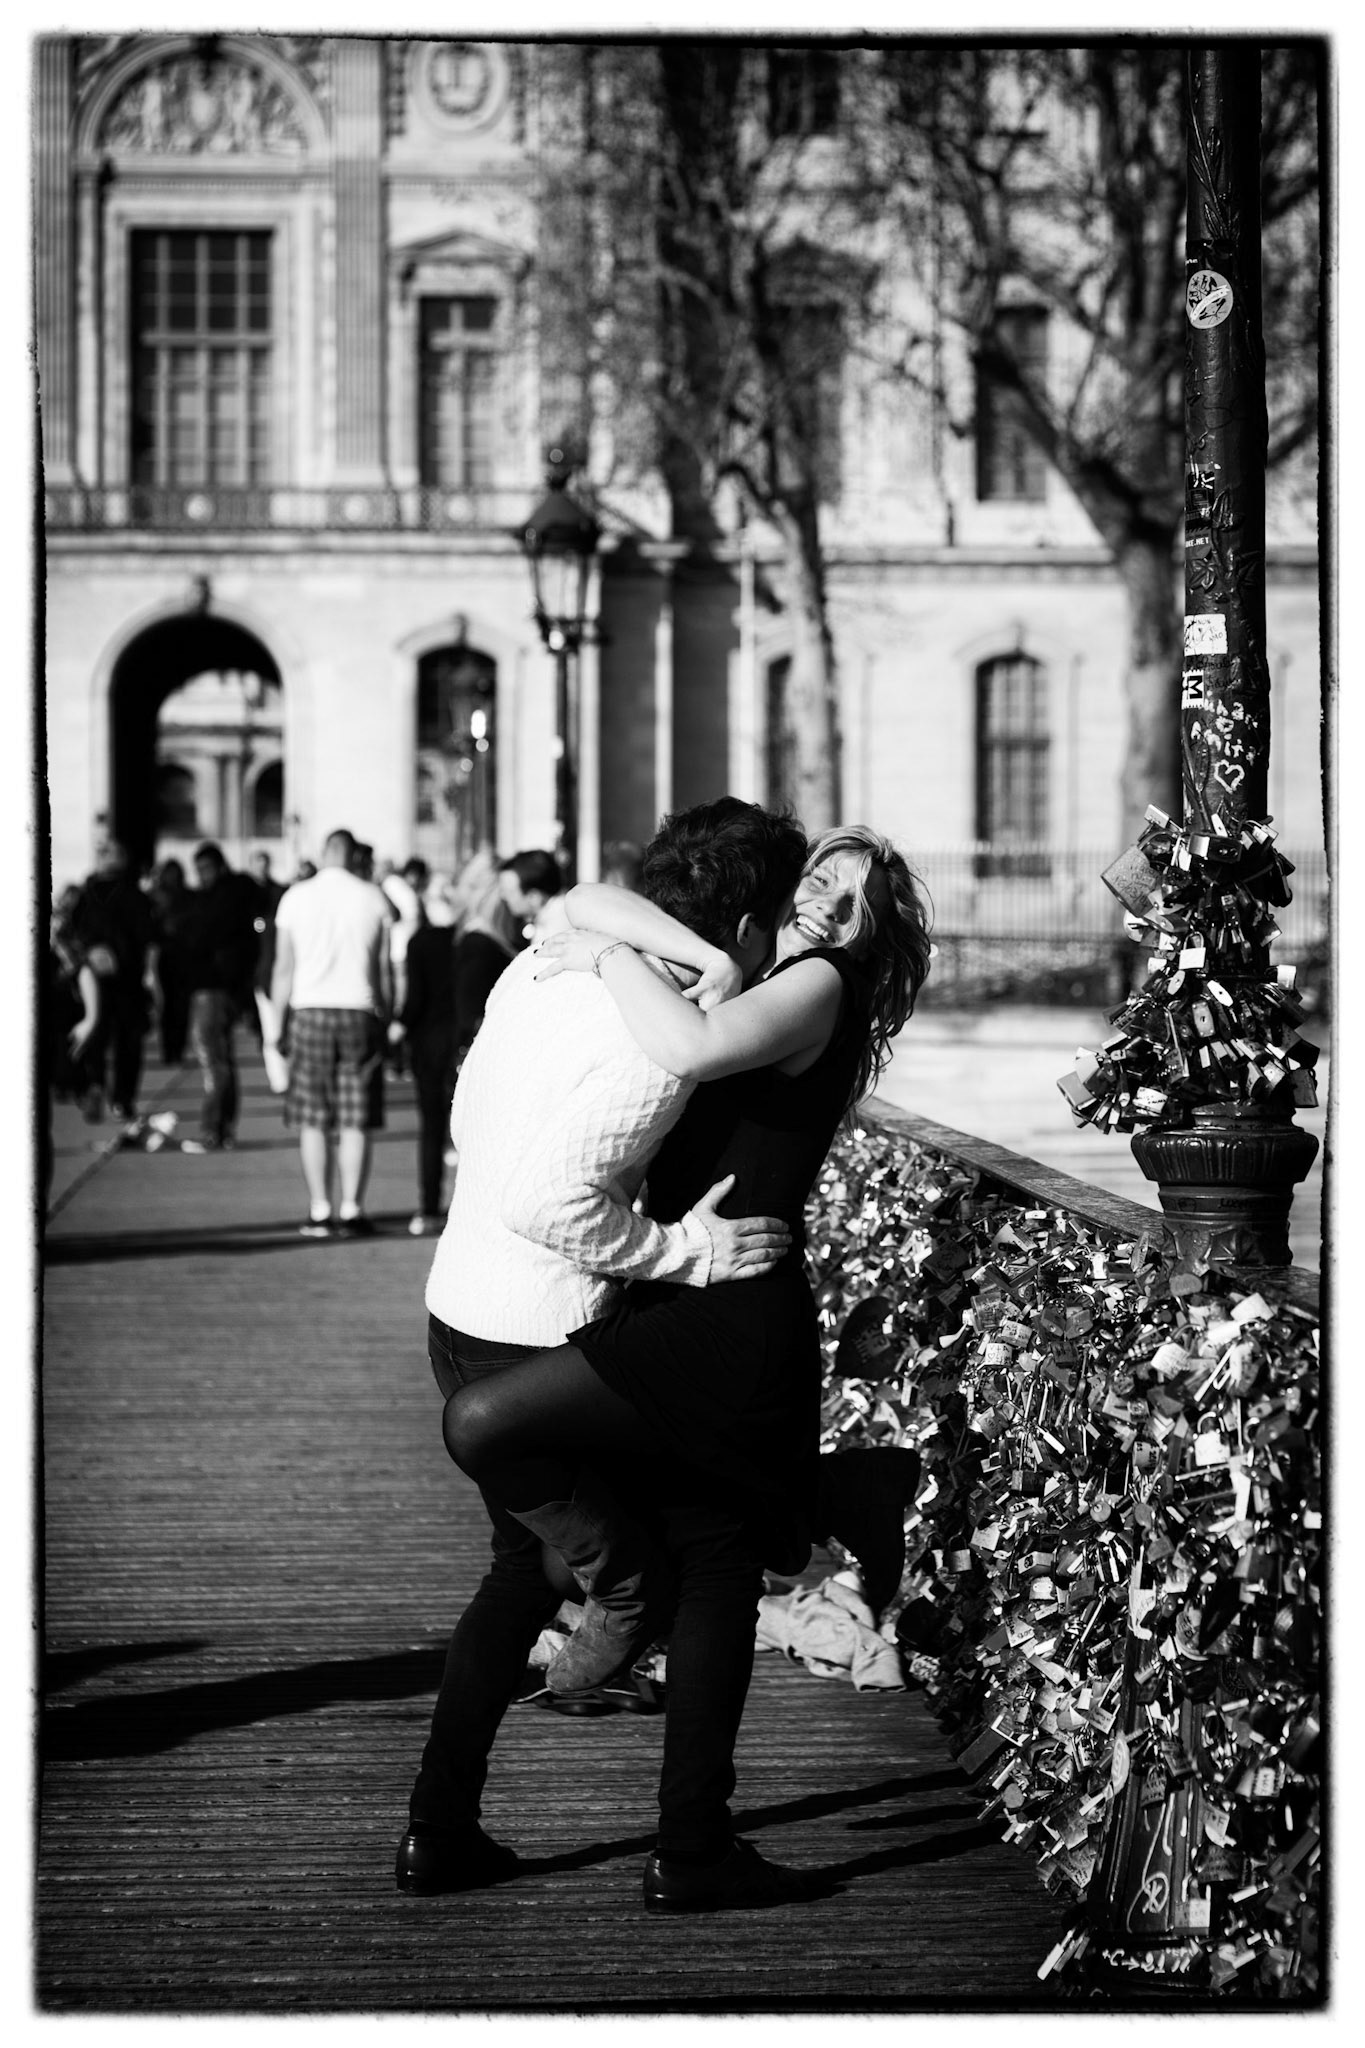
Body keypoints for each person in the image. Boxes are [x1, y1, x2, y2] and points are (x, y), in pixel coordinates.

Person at [439, 823, 932, 1911]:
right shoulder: (768, 972)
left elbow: (694, 1050)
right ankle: (693, 1843)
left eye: (859, 900)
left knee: (495, 1427)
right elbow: (584, 898)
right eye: (821, 879)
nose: (833, 906)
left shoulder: (820, 988)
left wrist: (609, 957)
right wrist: (622, 938)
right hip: (687, 1291)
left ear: (877, 934)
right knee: (710, 1563)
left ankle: (697, 1836)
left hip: (733, 1309)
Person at [397, 797, 808, 1902]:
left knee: (517, 1571)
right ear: (754, 926)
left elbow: (477, 1125)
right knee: (704, 1549)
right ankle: (689, 1837)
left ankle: (440, 1827)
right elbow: (550, 1199)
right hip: (536, 1337)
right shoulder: (655, 1033)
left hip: (457, 1306)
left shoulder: (547, 964)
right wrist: (686, 1251)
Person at [267, 828, 393, 1238]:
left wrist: (277, 1024)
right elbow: (383, 969)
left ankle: (320, 1210)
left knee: (313, 1118)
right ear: (354, 855)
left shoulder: (296, 897)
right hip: (360, 1009)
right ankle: (353, 1209)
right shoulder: (372, 897)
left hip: (309, 1010)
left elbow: (283, 968)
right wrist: (386, 1016)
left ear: (325, 853)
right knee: (356, 1119)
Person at [178, 842, 266, 1153]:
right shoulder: (242, 895)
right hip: (229, 988)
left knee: (213, 1060)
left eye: (204, 869)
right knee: (223, 1059)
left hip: (211, 987)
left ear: (217, 867)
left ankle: (213, 1129)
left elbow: (198, 937)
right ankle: (224, 1128)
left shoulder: (218, 900)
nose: (200, 876)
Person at [70, 838, 155, 1122]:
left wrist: (89, 955)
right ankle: (121, 1098)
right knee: (127, 1043)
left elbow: (72, 933)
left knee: (96, 1036)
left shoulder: (85, 894)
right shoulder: (134, 895)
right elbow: (148, 939)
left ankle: (95, 1084)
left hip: (93, 980)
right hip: (127, 979)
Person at [396, 884, 459, 1236]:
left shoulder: (418, 943)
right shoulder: (465, 941)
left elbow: (414, 998)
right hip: (462, 1043)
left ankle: (429, 1205)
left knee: (431, 1129)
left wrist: (399, 1026)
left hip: (427, 1044)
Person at [147, 859, 194, 1066]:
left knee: (171, 1004)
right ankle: (173, 1048)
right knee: (176, 1004)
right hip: (176, 955)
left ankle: (171, 1048)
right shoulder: (181, 897)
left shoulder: (159, 897)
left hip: (171, 955)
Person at [497, 847, 563, 943]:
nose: (503, 896)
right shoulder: (553, 917)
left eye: (509, 892)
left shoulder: (557, 931)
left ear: (534, 897)